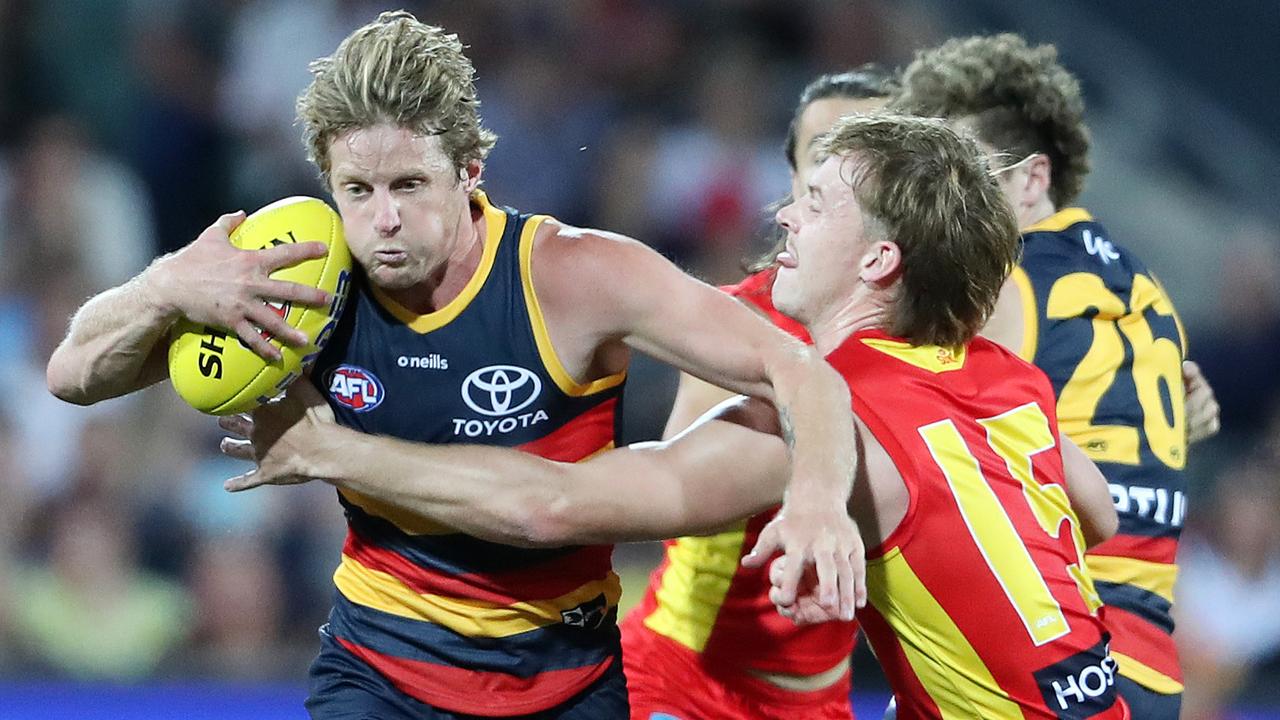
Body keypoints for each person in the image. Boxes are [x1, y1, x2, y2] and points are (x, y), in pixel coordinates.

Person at [43, 11, 864, 719]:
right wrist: (162, 287)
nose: (384, 221)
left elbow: (800, 370)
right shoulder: (303, 275)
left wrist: (823, 498)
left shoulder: (573, 279)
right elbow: (73, 373)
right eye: (356, 190)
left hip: (565, 679)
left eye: (409, 184)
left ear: (471, 170)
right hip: (378, 672)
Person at [221, 113, 1128, 719]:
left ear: (880, 260)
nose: (785, 217)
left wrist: (333, 450)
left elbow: (555, 508)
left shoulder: (818, 425)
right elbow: (1095, 513)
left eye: (814, 205)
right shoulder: (1011, 379)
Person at [893, 33, 1213, 718]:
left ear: (1032, 179)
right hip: (1152, 669)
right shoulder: (1146, 290)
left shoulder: (1001, 285)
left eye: (963, 174)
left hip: (1060, 661)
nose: (942, 201)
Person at [621, 66, 898, 720]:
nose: (845, 182)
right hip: (686, 684)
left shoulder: (932, 341)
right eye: (825, 160)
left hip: (826, 698)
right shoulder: (732, 328)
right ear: (796, 186)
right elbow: (674, 501)